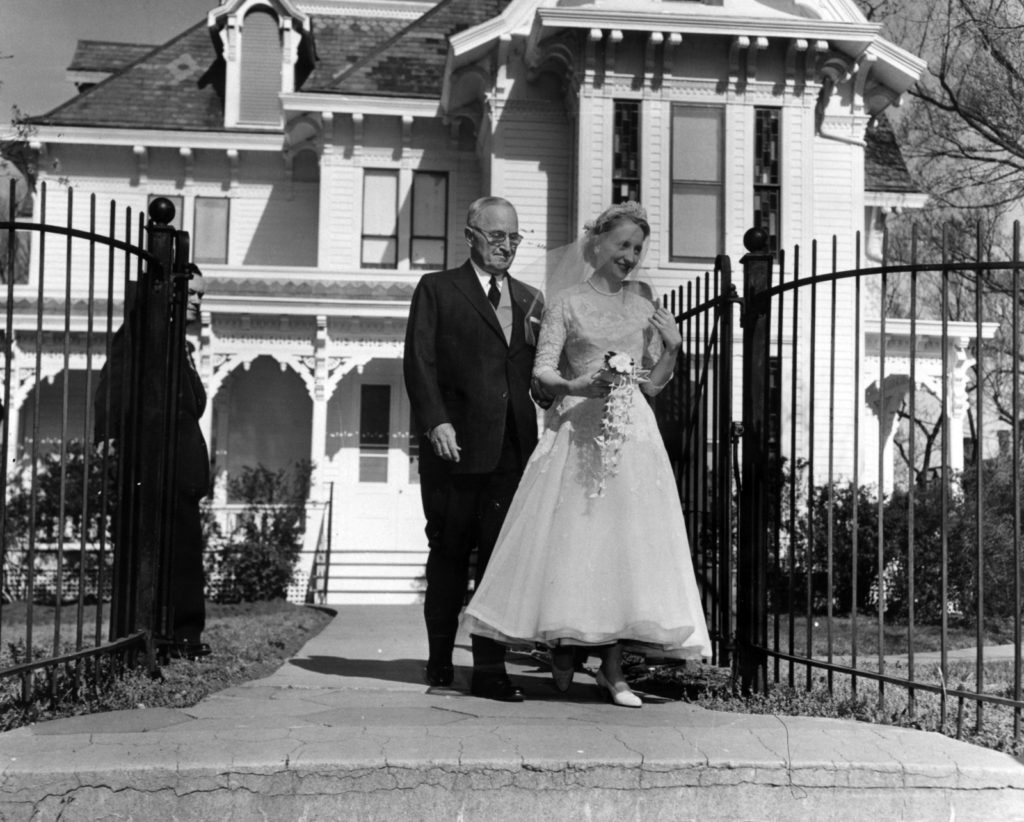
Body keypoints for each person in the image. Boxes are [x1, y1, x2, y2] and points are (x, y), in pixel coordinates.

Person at [462, 201, 712, 708]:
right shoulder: (567, 303)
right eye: (622, 245)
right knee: (576, 543)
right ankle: (564, 645)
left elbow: (654, 387)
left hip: (631, 437)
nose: (630, 256)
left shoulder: (644, 305)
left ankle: (613, 668)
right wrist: (580, 384)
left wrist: (672, 348)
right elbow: (542, 373)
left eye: (638, 249)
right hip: (577, 429)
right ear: (596, 244)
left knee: (622, 547)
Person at [403, 196, 547, 702]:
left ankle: (489, 670)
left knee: (497, 563)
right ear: (470, 236)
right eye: (496, 236)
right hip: (455, 449)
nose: (506, 246)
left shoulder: (532, 300)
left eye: (513, 237)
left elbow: (537, 377)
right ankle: (440, 658)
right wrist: (436, 420)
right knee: (448, 553)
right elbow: (418, 363)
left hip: (512, 450)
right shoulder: (438, 289)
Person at [95, 269, 211, 660]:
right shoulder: (142, 337)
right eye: (193, 294)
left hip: (182, 475)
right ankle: (155, 636)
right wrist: (107, 434)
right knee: (154, 557)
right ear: (173, 295)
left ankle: (183, 636)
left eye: (201, 295)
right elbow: (112, 385)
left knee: (184, 556)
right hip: (155, 470)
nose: (199, 302)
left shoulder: (182, 348)